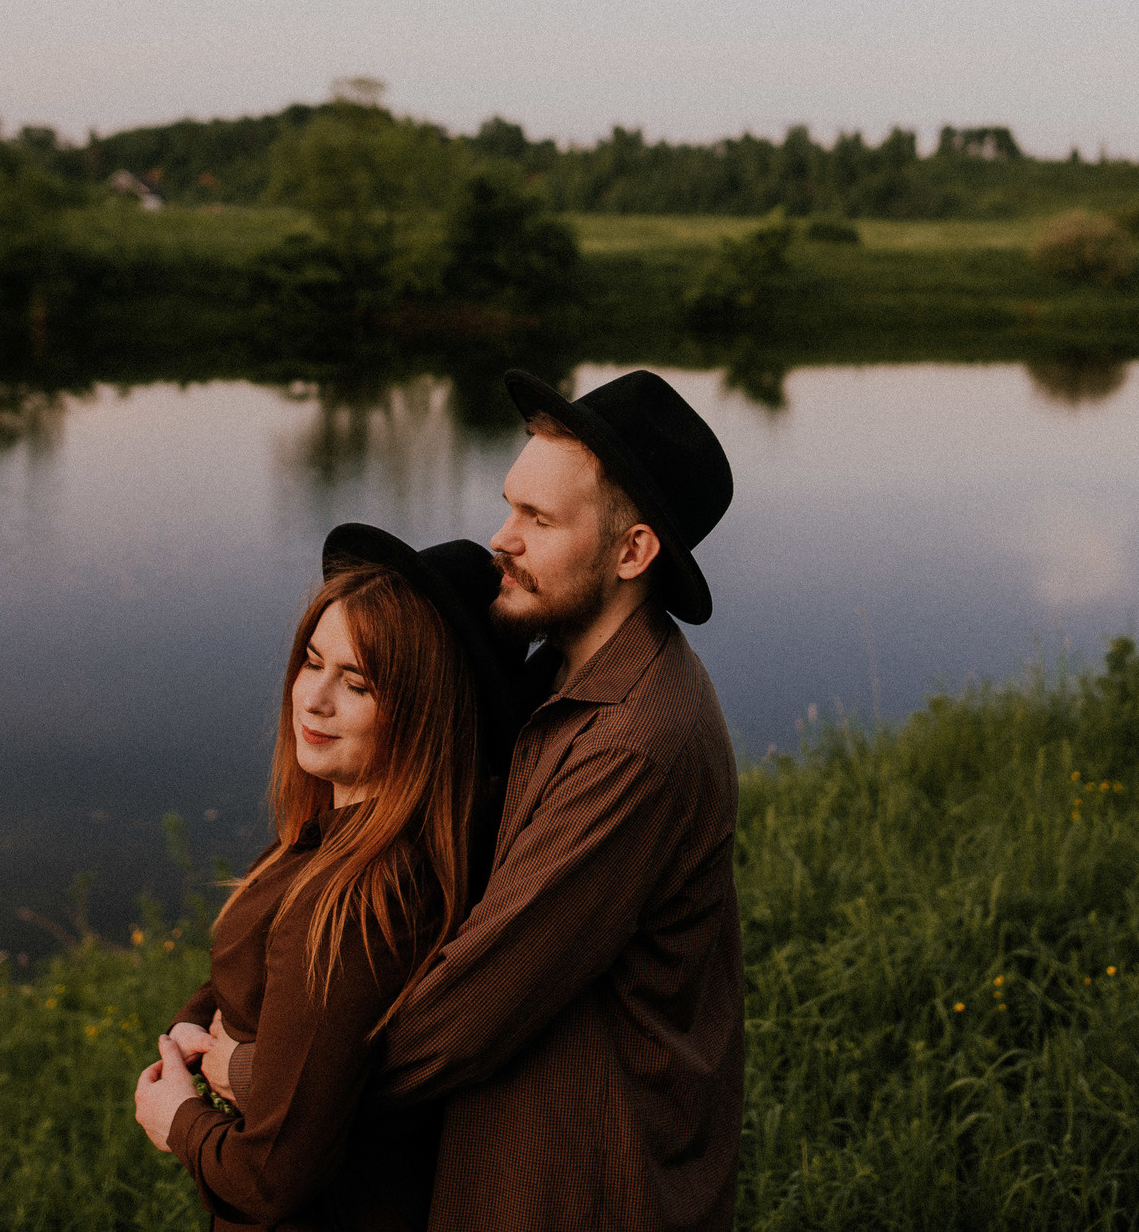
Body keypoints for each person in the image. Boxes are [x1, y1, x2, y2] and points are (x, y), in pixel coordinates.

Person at [216, 368, 744, 1232]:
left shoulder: (634, 742)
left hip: (583, 1182)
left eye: (539, 520)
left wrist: (265, 1078)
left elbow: (464, 1017)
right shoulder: (556, 676)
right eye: (510, 506)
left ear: (632, 552)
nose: (503, 538)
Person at [132, 525, 527, 1231]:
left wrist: (180, 1121)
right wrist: (194, 1030)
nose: (313, 699)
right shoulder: (337, 841)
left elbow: (270, 1179)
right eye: (313, 662)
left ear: (423, 713)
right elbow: (260, 976)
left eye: (357, 683)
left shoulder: (357, 901)